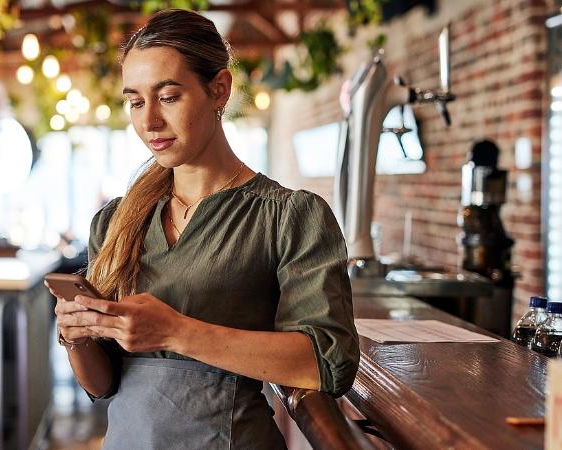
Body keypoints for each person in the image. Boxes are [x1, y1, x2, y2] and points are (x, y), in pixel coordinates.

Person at [45, 8, 359, 449]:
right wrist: (77, 337)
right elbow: (103, 385)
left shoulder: (289, 216)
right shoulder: (117, 221)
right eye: (135, 102)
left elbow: (329, 362)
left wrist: (176, 331)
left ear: (219, 89)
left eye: (168, 97)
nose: (149, 120)